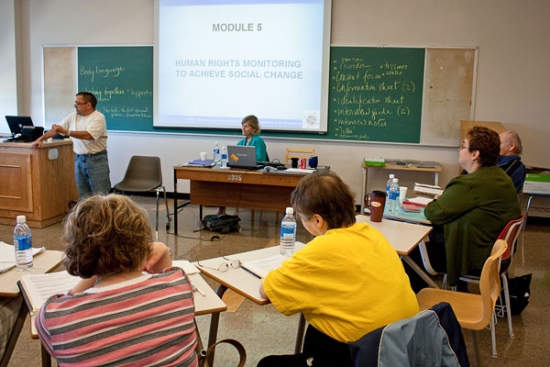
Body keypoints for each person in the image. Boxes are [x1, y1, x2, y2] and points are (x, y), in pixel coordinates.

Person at [257, 172, 419, 367]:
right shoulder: (371, 233)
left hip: (362, 355)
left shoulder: (321, 249)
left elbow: (265, 291)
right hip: (402, 348)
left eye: (302, 217)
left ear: (317, 220)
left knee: (268, 364)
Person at [35, 194, 199, 366]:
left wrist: (92, 264)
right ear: (143, 241)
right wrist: (163, 250)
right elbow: (164, 275)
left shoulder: (54, 317)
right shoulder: (180, 286)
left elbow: (67, 301)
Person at [424, 126, 521, 288]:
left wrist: (442, 201)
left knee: (410, 257)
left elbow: (433, 212)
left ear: (475, 154)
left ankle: (420, 309)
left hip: (475, 256)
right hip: (496, 253)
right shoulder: (501, 177)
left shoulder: (470, 183)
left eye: (463, 146)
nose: (459, 149)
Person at [32, 92, 111, 198]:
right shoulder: (73, 116)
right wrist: (40, 139)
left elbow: (89, 135)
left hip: (96, 159)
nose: (75, 106)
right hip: (79, 158)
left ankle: (104, 215)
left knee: (101, 194)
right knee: (84, 194)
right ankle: (86, 214)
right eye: (75, 103)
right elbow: (56, 130)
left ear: (88, 105)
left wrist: (67, 131)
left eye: (78, 103)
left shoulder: (98, 117)